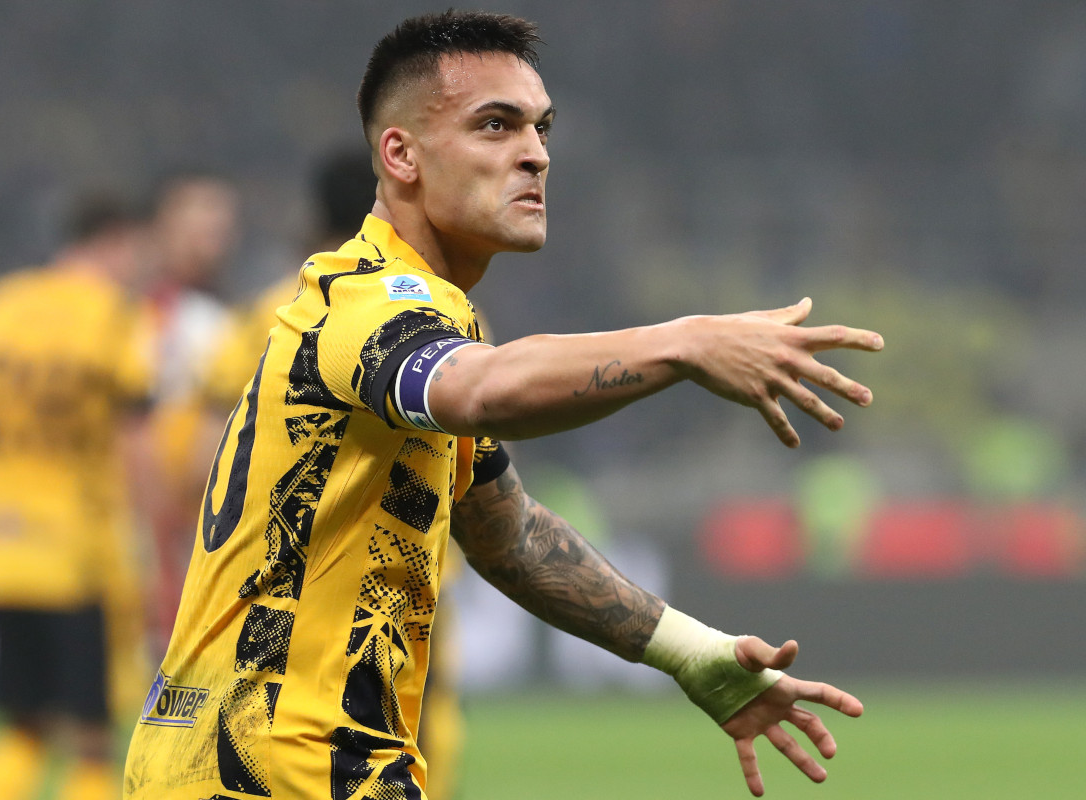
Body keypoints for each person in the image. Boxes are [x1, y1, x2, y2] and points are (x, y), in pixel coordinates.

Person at [123, 11, 884, 799]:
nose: (535, 153)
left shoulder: (426, 318)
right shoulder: (366, 300)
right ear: (401, 155)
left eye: (541, 127)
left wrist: (692, 654)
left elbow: (506, 533)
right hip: (272, 765)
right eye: (495, 125)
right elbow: (485, 391)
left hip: (271, 757)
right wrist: (682, 343)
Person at [199, 146, 469, 799]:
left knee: (258, 739)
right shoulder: (436, 313)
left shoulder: (257, 319)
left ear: (313, 215)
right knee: (409, 736)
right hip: (399, 580)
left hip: (266, 579)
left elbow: (201, 459)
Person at [0, 192, 155, 800]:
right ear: (115, 242)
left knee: (22, 724)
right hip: (82, 552)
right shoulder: (113, 315)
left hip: (2, 547)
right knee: (92, 736)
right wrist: (160, 545)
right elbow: (137, 442)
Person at [140, 169, 242, 642]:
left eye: (219, 226)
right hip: (150, 531)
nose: (212, 237)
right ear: (160, 230)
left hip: (206, 531)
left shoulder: (225, 319)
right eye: (197, 223)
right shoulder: (140, 320)